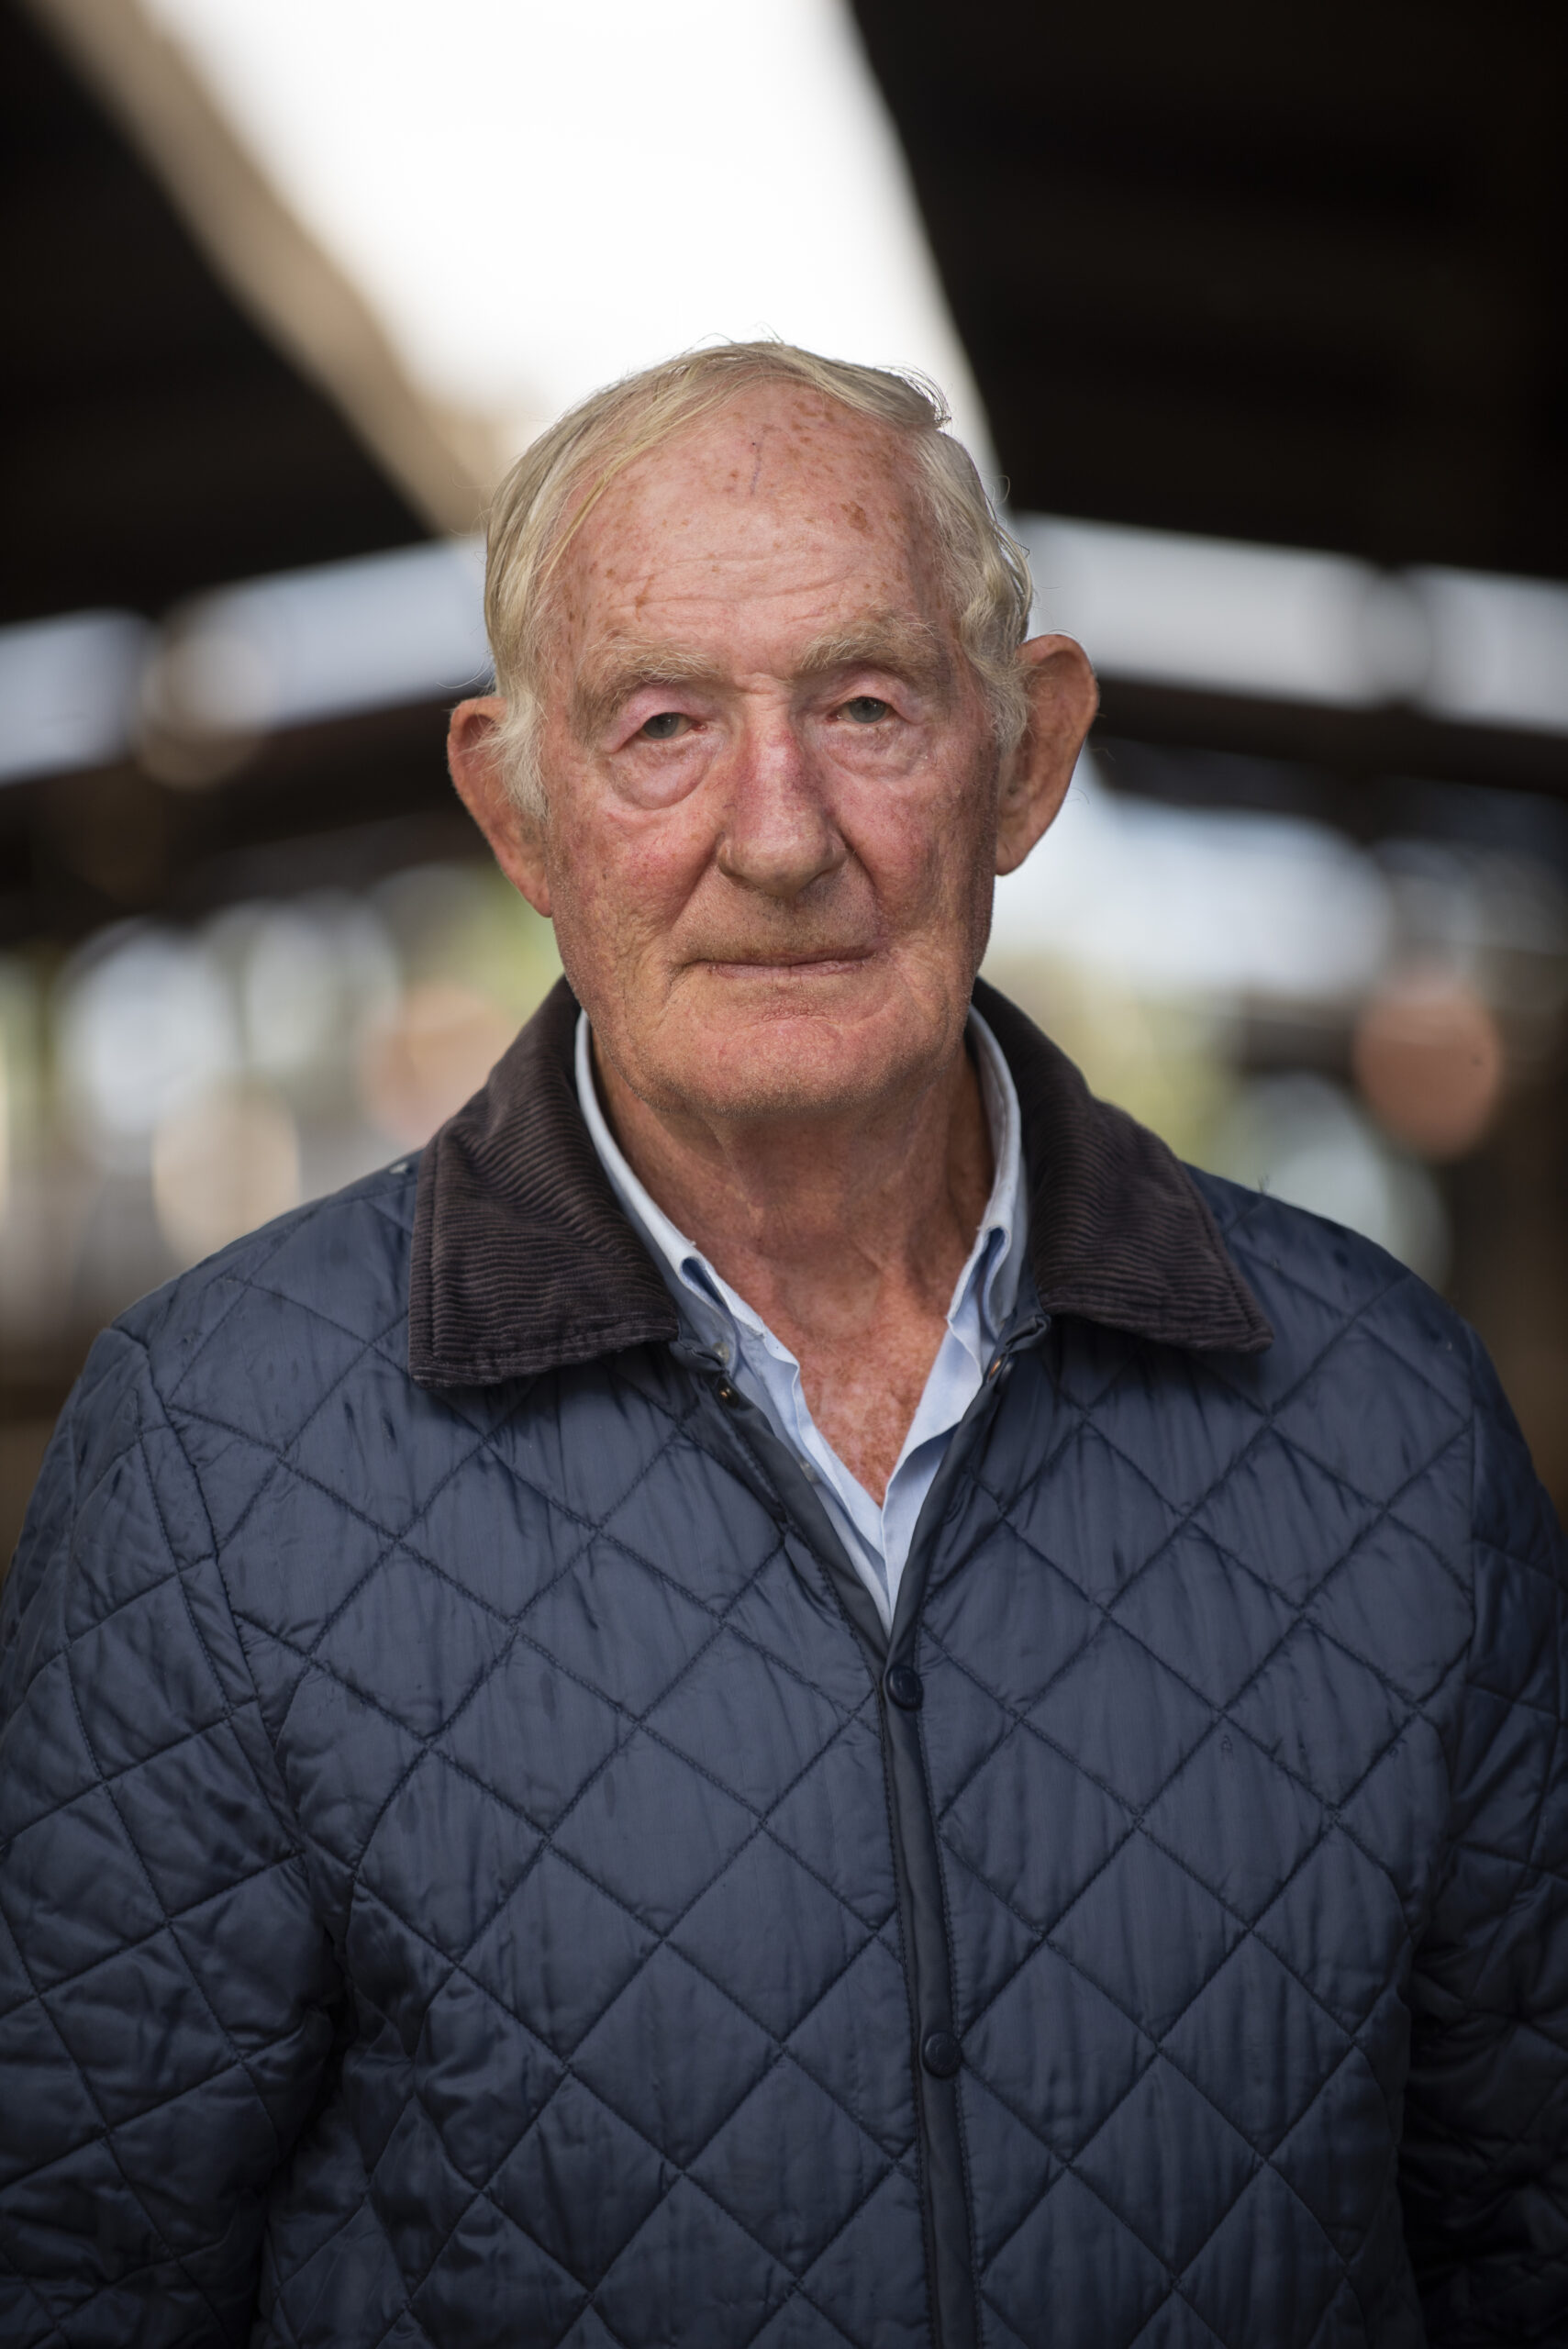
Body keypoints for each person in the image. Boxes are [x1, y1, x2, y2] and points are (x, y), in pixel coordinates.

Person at [1, 342, 1562, 2349]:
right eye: (662, 723)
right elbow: (67, 2270)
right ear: (518, 805)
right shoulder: (217, 1455)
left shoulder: (1390, 1423)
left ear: (1028, 755)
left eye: (867, 704)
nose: (782, 829)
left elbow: (1530, 2226)